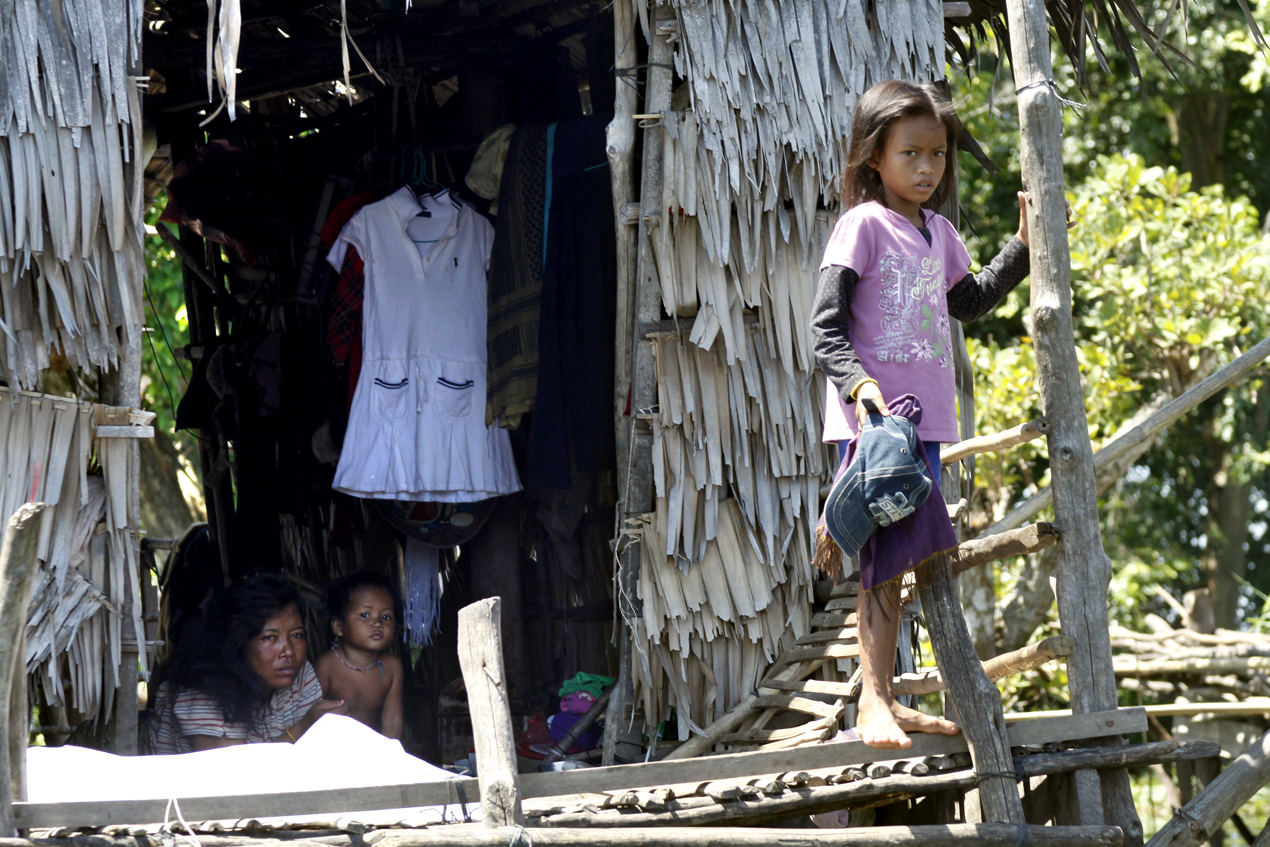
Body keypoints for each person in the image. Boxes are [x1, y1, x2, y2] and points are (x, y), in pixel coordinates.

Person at [811, 80, 1052, 749]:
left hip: (927, 425)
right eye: (911, 153)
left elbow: (969, 301)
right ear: (874, 159)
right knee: (884, 556)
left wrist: (1023, 246)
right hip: (879, 427)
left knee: (914, 556)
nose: (927, 168)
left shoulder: (938, 233)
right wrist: (860, 388)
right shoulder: (861, 226)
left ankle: (889, 694)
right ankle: (874, 703)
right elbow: (824, 328)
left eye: (938, 155)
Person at [144, 570, 347, 754]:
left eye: (296, 635)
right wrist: (304, 726)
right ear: (236, 641)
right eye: (269, 637)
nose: (288, 651)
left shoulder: (300, 674)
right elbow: (234, 780)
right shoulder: (205, 696)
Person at [315, 572, 404, 739]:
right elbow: (311, 715)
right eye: (365, 615)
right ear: (339, 627)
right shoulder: (327, 665)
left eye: (386, 616)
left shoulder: (392, 667)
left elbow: (392, 721)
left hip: (372, 753)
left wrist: (391, 758)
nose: (378, 623)